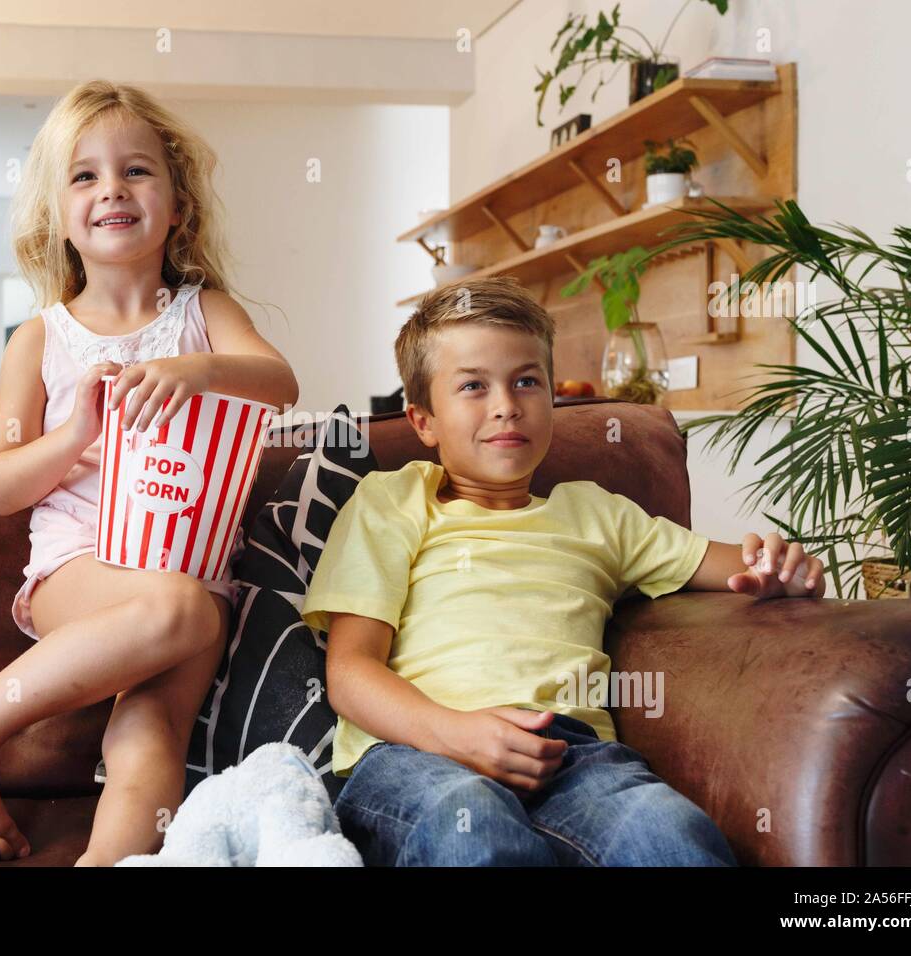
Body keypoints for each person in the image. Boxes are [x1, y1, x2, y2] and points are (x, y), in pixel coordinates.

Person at [302, 276, 825, 866]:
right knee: (469, 829)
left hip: (574, 758)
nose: (506, 404)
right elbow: (350, 671)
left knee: (669, 834)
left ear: (553, 396)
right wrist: (456, 733)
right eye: (473, 386)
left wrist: (784, 568)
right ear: (423, 421)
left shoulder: (597, 513)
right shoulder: (392, 501)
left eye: (527, 380)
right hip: (418, 754)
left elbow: (734, 566)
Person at [0, 80, 298, 866]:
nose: (112, 190)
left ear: (177, 203)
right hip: (81, 566)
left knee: (153, 724)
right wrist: (73, 435)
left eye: (137, 170)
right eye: (84, 175)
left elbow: (281, 383)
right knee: (185, 613)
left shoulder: (205, 314)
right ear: (57, 214)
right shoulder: (41, 338)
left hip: (189, 562)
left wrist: (196, 369)